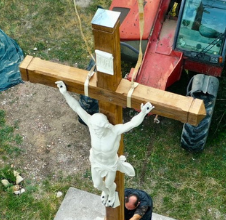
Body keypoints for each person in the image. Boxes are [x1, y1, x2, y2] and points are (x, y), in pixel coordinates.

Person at [56, 80, 155, 208]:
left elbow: (131, 124)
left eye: (98, 129)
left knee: (109, 184)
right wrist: (65, 93)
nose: (95, 131)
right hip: (96, 162)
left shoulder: (114, 131)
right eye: (94, 129)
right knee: (97, 184)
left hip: (110, 164)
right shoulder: (91, 124)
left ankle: (112, 193)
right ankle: (106, 192)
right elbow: (77, 108)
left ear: (104, 126)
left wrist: (142, 113)